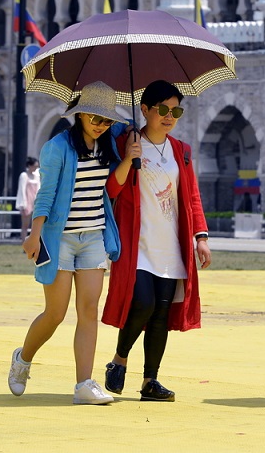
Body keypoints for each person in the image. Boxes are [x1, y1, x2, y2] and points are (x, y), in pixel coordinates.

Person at [8, 81, 128, 405]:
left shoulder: (109, 147)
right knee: (55, 314)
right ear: (80, 115)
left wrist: (130, 155)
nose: (101, 125)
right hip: (58, 238)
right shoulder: (58, 147)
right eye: (96, 118)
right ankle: (23, 358)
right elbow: (45, 196)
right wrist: (34, 234)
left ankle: (84, 385)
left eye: (107, 120)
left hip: (93, 237)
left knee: (89, 310)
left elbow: (113, 187)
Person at [103, 79, 211, 402]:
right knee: (143, 302)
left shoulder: (181, 151)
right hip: (138, 244)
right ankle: (119, 359)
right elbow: (112, 190)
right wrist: (128, 156)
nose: (169, 116)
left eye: (175, 110)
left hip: (170, 246)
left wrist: (201, 237)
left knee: (161, 313)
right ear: (146, 109)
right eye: (162, 109)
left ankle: (151, 381)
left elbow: (191, 196)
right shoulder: (127, 143)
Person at [16, 157, 40, 241]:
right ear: (30, 166)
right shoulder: (24, 175)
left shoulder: (36, 176)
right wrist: (23, 204)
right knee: (25, 225)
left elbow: (38, 188)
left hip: (35, 202)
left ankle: (34, 244)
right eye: (34, 166)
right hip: (27, 202)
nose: (36, 168)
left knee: (35, 226)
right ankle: (24, 243)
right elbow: (22, 190)